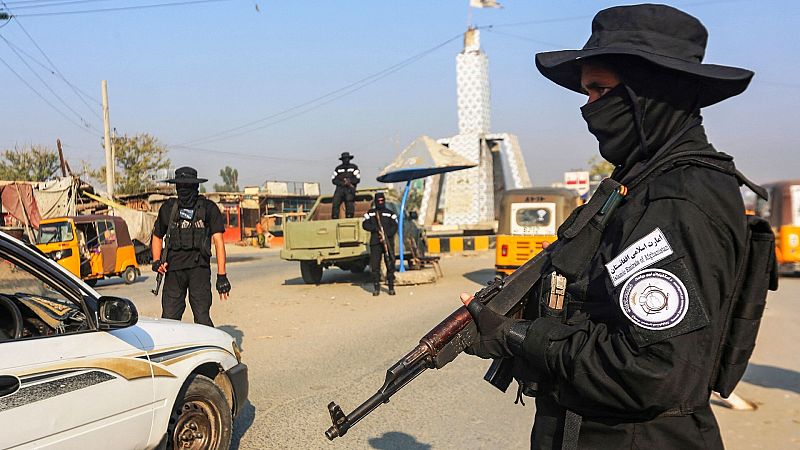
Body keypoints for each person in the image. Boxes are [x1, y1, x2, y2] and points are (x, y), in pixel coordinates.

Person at [460, 4, 763, 449]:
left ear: (651, 92)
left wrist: (518, 337)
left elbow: (651, 370)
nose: (588, 108)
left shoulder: (677, 198)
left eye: (600, 90)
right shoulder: (639, 185)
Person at [151, 166, 231, 327]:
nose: (184, 189)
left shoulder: (208, 208)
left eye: (188, 185)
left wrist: (222, 276)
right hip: (173, 270)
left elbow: (219, 242)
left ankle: (207, 343)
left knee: (202, 318)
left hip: (199, 270)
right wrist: (156, 261)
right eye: (181, 186)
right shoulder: (169, 208)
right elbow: (157, 236)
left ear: (196, 186)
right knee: (169, 320)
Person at [362, 192, 397, 296]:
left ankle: (391, 287)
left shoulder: (390, 213)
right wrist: (376, 229)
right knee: (375, 266)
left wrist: (386, 235)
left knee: (390, 265)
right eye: (378, 201)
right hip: (375, 243)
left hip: (388, 243)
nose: (380, 202)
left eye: (382, 200)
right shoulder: (370, 213)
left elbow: (394, 226)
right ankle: (376, 288)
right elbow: (365, 224)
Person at [331, 152, 360, 219]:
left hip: (349, 189)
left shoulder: (354, 167)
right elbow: (334, 180)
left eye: (347, 158)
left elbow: (357, 179)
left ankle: (349, 217)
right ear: (342, 160)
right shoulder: (338, 168)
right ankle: (334, 217)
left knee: (349, 202)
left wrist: (350, 182)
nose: (346, 160)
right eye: (344, 159)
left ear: (349, 159)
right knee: (335, 202)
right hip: (340, 189)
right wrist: (342, 183)